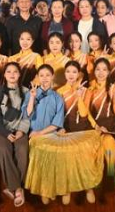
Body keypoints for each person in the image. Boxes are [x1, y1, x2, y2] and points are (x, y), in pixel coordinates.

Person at [24, 64, 103, 205]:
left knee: (84, 149)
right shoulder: (56, 92)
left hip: (78, 127)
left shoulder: (84, 91)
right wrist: (32, 98)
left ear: (79, 74)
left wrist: (79, 97)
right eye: (68, 72)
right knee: (55, 152)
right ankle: (57, 189)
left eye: (74, 72)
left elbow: (84, 114)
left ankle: (88, 187)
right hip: (59, 129)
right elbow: (31, 115)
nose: (71, 75)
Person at [84, 58, 115, 202]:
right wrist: (96, 126)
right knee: (109, 143)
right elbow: (86, 113)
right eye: (98, 69)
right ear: (94, 71)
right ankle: (112, 180)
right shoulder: (90, 90)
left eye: (104, 69)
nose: (101, 73)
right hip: (100, 126)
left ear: (109, 72)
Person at [0, 62, 30, 208]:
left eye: (15, 72)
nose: (12, 74)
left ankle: (13, 188)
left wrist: (21, 131)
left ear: (19, 74)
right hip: (2, 131)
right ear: (4, 74)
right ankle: (18, 189)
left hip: (20, 130)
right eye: (9, 71)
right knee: (2, 149)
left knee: (22, 150)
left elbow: (28, 115)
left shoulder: (26, 92)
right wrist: (6, 133)